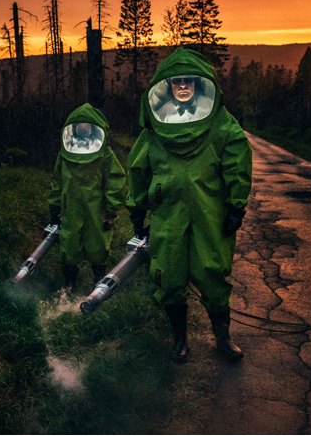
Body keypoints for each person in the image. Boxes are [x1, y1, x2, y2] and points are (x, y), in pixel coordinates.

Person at [127, 48, 252, 363]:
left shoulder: (220, 123)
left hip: (209, 212)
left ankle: (223, 340)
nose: (182, 87)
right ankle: (180, 340)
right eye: (176, 82)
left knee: (212, 271)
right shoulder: (156, 127)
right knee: (169, 275)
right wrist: (137, 210)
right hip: (168, 214)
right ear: (167, 86)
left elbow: (238, 158)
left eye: (189, 82)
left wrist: (236, 205)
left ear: (200, 85)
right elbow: (138, 169)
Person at [49, 103, 126, 288]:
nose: (83, 128)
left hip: (96, 208)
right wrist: (54, 206)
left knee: (97, 246)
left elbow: (115, 179)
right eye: (80, 125)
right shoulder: (65, 153)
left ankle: (99, 287)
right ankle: (69, 288)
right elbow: (57, 181)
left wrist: (111, 210)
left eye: (87, 125)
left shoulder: (105, 154)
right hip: (71, 208)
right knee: (69, 246)